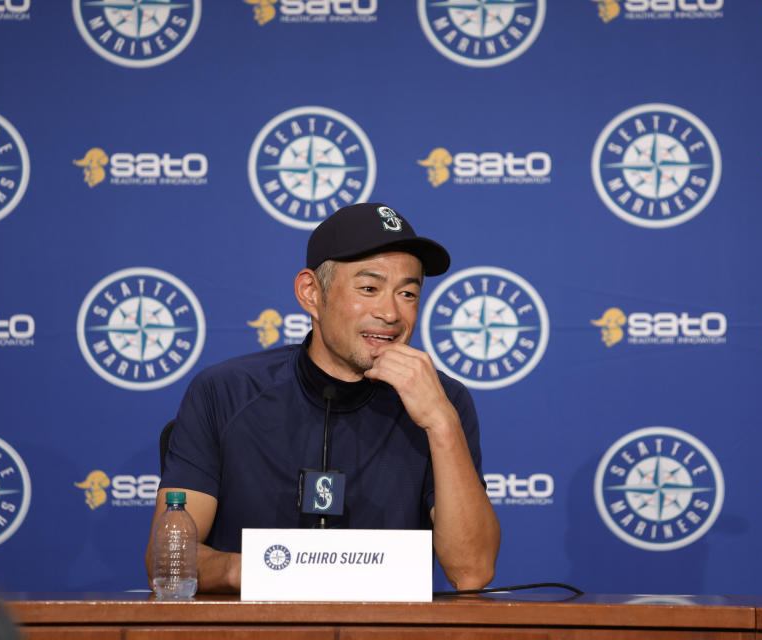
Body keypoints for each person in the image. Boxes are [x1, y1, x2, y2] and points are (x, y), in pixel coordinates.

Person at [146, 202, 500, 593]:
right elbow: (170, 563)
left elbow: (472, 572)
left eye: (408, 294)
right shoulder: (225, 391)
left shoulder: (444, 400)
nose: (391, 313)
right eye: (369, 288)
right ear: (311, 293)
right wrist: (277, 570)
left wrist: (441, 422)